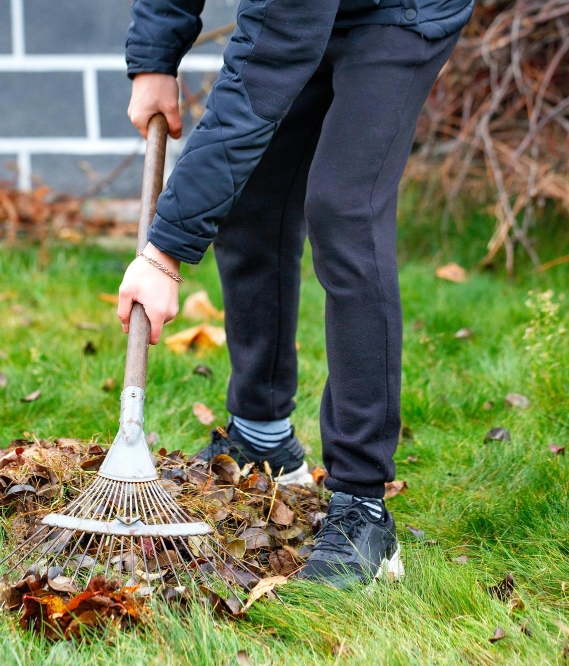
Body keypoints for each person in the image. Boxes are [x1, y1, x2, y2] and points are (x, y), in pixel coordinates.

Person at [116, 0, 473, 588]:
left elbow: (265, 66)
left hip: (401, 13)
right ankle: (264, 438)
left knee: (345, 210)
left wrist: (163, 254)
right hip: (309, 12)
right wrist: (155, 58)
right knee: (253, 197)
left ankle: (363, 504)